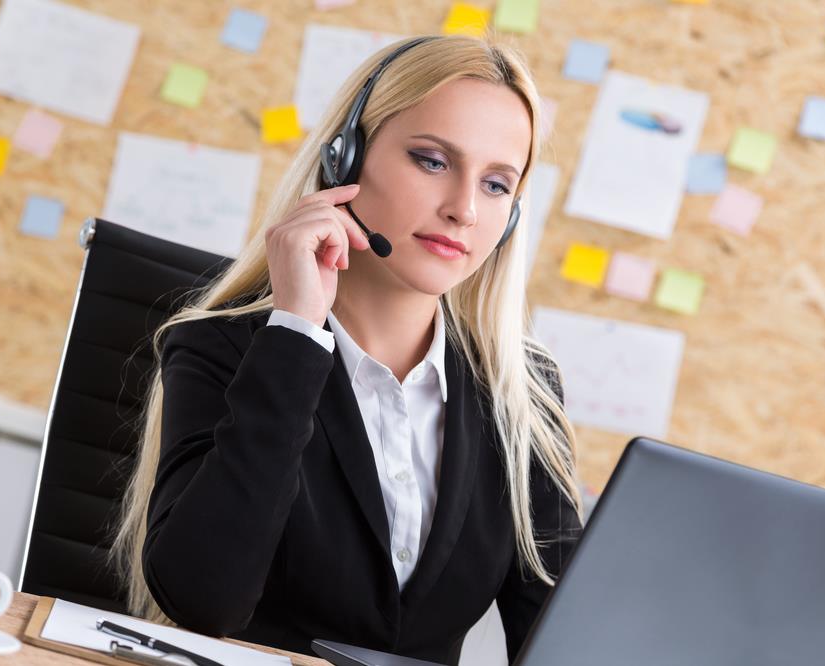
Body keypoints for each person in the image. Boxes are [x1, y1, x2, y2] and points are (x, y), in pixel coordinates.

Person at [109, 33, 584, 666]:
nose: (465, 210)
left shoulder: (520, 389)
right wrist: (298, 332)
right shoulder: (224, 347)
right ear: (345, 160)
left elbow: (561, 634)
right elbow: (204, 599)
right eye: (433, 161)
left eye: (497, 185)